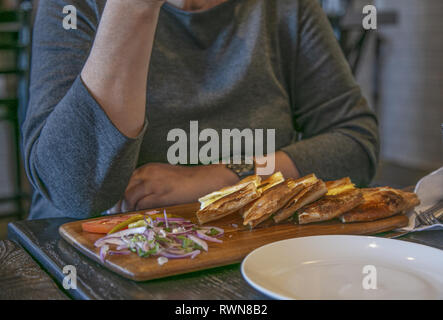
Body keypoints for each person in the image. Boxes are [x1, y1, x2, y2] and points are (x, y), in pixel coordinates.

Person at [22, 0, 379, 219]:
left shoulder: (287, 8)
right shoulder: (73, 6)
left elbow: (354, 145)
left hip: (247, 252)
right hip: (88, 259)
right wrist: (134, 7)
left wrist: (220, 178)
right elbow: (73, 193)